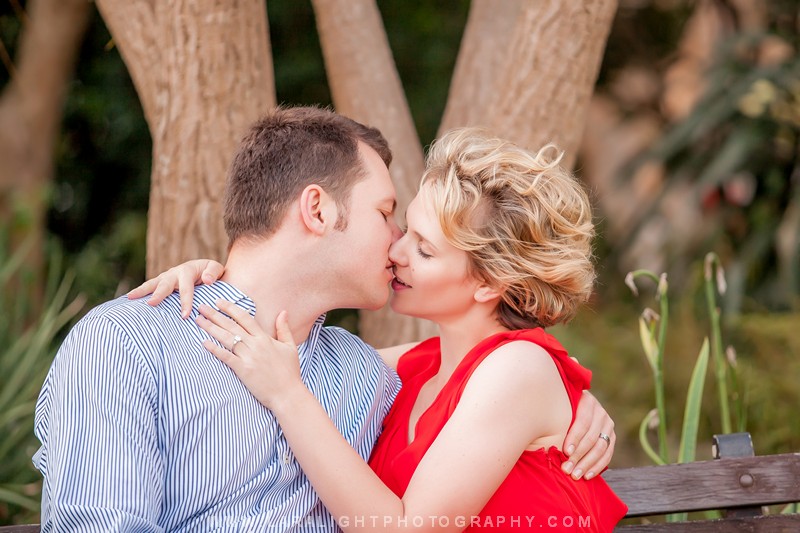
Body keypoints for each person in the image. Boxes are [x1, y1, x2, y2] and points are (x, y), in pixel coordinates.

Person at [34, 107, 614, 532]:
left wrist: (565, 396)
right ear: (317, 209)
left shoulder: (359, 375)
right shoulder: (128, 344)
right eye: (389, 216)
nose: (395, 246)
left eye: (419, 241)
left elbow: (494, 377)